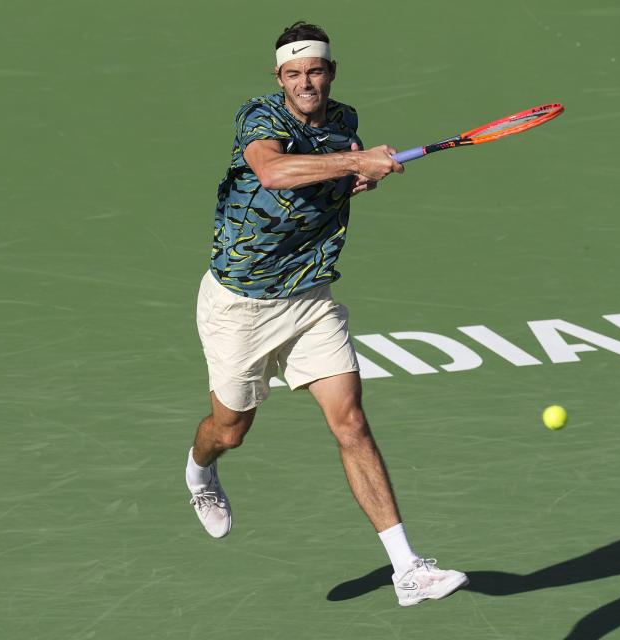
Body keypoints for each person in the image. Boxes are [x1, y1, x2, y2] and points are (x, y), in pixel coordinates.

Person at [185, 21, 468, 607]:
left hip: (310, 298)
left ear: (331, 72)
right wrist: (353, 162)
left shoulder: (344, 122)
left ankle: (407, 569)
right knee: (230, 432)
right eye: (294, 74)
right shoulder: (260, 117)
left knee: (352, 424)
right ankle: (198, 473)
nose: (305, 83)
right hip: (241, 305)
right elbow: (273, 171)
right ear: (279, 78)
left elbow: (331, 180)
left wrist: (359, 175)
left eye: (315, 71)